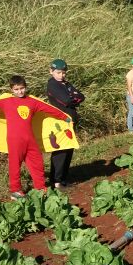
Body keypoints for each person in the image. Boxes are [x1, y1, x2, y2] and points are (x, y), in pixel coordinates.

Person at [0, 75, 71, 199]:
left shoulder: (33, 102)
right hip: (15, 140)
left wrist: (64, 117)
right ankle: (16, 191)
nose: (19, 91)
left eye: (22, 88)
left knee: (37, 162)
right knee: (15, 164)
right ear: (11, 89)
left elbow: (48, 109)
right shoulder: (6, 101)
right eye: (16, 89)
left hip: (29, 139)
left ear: (25, 87)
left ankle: (41, 188)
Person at [45, 59, 85, 189]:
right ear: (51, 71)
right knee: (60, 150)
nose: (61, 75)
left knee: (69, 149)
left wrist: (73, 97)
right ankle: (56, 180)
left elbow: (81, 96)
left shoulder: (66, 83)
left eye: (63, 73)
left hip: (70, 122)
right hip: (61, 123)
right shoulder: (52, 85)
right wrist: (73, 97)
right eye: (58, 72)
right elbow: (67, 100)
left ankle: (63, 178)